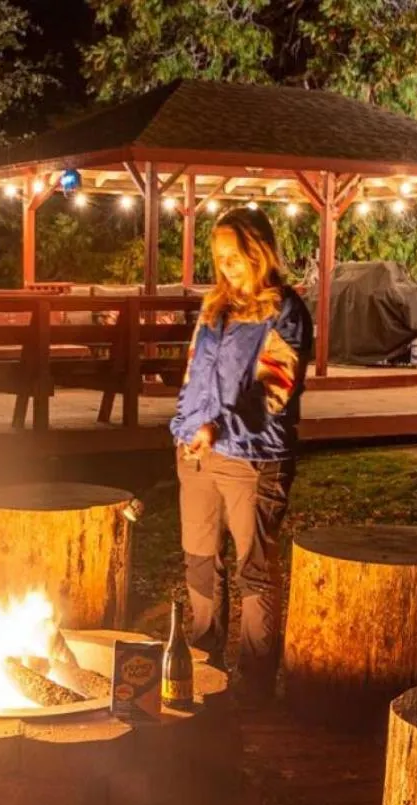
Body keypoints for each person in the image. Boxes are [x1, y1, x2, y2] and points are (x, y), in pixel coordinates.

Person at [169, 206, 312, 704]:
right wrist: (185, 429)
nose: (225, 266)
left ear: (259, 252)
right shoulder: (214, 309)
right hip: (199, 456)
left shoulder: (285, 311)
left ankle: (253, 685)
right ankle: (205, 667)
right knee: (200, 562)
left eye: (234, 256)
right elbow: (193, 376)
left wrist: (219, 426)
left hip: (253, 457)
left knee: (253, 568)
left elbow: (275, 388)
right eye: (219, 257)